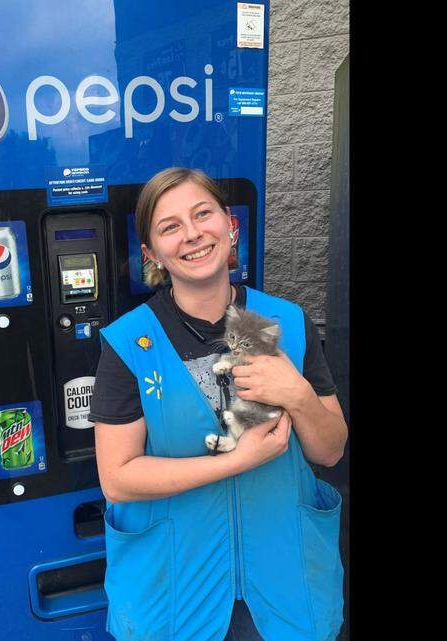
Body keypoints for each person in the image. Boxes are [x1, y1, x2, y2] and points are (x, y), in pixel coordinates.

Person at [90, 168, 348, 641]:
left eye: (202, 214)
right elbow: (118, 478)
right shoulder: (128, 343)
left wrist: (297, 394)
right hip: (174, 599)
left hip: (287, 589)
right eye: (170, 226)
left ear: (230, 225)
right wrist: (236, 461)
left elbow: (331, 450)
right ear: (152, 253)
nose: (192, 234)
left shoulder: (288, 322)